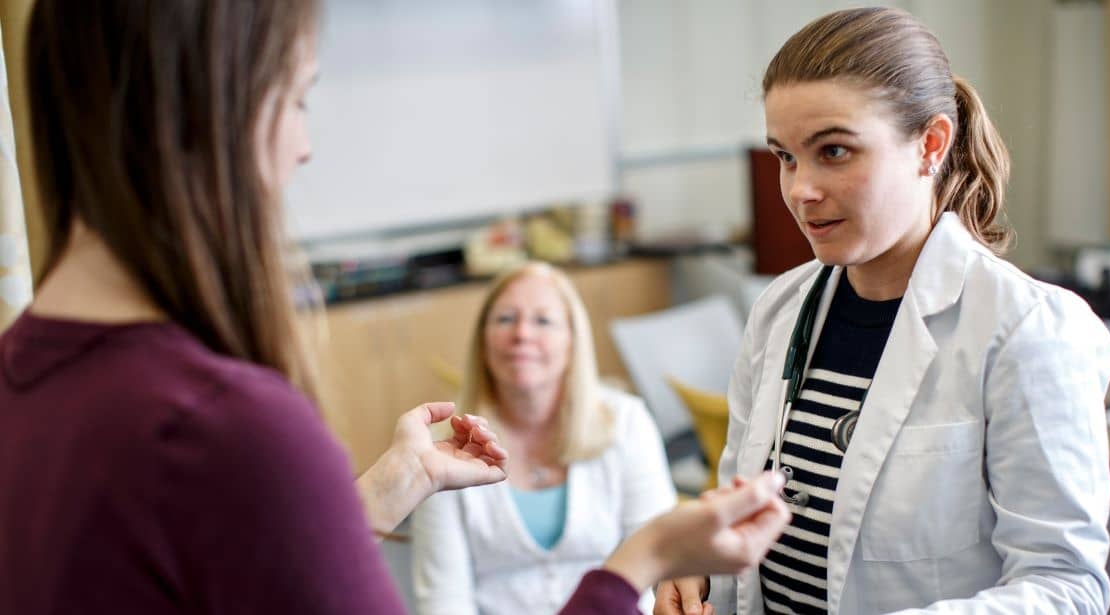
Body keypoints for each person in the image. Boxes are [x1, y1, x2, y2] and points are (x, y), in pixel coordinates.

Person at [0, 1, 793, 614]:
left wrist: (379, 491)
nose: (304, 147)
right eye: (301, 99)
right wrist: (639, 562)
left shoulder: (26, 384)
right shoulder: (229, 429)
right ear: (211, 109)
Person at [655, 7, 1110, 615]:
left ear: (930, 144)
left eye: (835, 151)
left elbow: (1067, 584)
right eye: (785, 157)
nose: (800, 190)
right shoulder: (781, 309)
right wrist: (701, 567)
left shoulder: (1025, 330)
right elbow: (738, 513)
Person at [412, 262, 677, 614]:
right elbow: (444, 600)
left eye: (543, 321)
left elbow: (657, 560)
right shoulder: (443, 446)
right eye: (505, 319)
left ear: (573, 339)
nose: (522, 333)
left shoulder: (626, 423)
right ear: (482, 340)